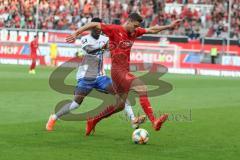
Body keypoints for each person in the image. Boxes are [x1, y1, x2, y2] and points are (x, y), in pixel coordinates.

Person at [66, 13, 181, 135]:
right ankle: (154, 121)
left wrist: (169, 26)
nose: (136, 29)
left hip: (124, 71)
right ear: (129, 21)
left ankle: (93, 121)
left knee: (120, 105)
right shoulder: (115, 29)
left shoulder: (134, 32)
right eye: (135, 25)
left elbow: (152, 29)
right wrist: (76, 33)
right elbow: (94, 24)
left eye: (137, 27)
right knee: (141, 87)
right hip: (117, 71)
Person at [46, 18, 146, 133]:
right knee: (76, 104)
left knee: (122, 94)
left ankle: (133, 120)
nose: (98, 30)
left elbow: (113, 46)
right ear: (91, 28)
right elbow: (89, 50)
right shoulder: (85, 39)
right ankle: (54, 118)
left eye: (99, 29)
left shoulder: (105, 39)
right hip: (86, 77)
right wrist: (103, 47)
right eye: (95, 29)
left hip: (100, 77)